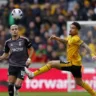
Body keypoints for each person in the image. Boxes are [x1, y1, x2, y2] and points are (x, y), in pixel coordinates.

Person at [25, 22, 96, 96]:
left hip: (72, 64)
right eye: (70, 27)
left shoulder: (76, 39)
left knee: (51, 63)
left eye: (73, 28)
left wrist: (92, 54)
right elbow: (66, 41)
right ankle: (94, 94)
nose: (70, 29)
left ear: (77, 30)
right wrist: (56, 38)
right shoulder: (71, 38)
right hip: (76, 65)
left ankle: (32, 74)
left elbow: (85, 46)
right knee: (79, 82)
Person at [0, 25, 33, 96]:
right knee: (10, 85)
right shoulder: (7, 42)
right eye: (12, 29)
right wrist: (0, 57)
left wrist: (29, 58)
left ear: (18, 30)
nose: (14, 30)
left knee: (17, 84)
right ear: (10, 31)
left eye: (16, 29)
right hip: (12, 65)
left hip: (22, 66)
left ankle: (17, 89)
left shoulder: (24, 40)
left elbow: (31, 49)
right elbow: (5, 55)